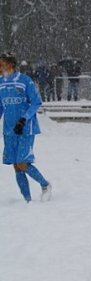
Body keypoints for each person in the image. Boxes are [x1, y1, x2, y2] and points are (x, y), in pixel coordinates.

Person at [0, 51, 52, 203]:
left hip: (25, 128)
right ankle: (28, 201)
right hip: (9, 129)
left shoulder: (24, 80)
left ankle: (45, 185)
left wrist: (24, 119)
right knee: (16, 166)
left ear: (10, 64)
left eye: (1, 63)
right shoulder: (1, 83)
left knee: (22, 162)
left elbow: (36, 102)